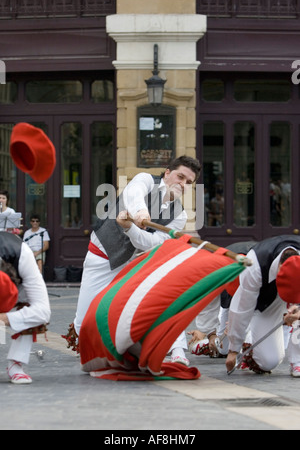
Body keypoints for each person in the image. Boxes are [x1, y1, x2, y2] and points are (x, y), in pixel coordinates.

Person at [68, 155, 201, 366]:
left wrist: (129, 228)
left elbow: (152, 243)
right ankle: (83, 337)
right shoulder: (145, 180)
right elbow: (133, 192)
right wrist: (140, 211)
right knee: (83, 321)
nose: (182, 184)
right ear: (167, 173)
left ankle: (177, 350)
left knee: (163, 299)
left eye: (188, 182)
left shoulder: (180, 216)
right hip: (100, 258)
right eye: (180, 176)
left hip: (132, 264)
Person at [225, 235, 300, 375]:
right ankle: (249, 343)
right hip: (267, 300)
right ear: (279, 268)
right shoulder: (254, 264)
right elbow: (241, 308)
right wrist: (233, 350)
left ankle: (298, 361)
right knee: (268, 362)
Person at [0, 231, 51, 384]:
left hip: (18, 275)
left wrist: (4, 318)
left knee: (31, 307)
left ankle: (16, 364)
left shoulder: (24, 256)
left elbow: (43, 312)